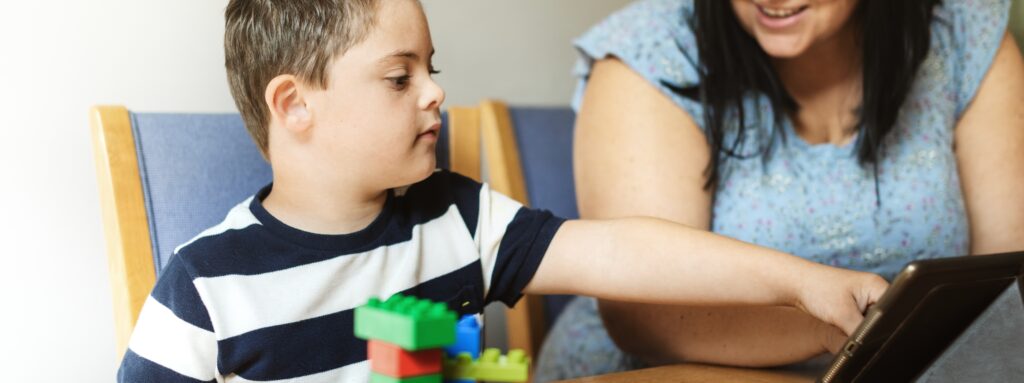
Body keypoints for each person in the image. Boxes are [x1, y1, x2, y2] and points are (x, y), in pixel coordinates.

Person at [114, 0, 889, 381]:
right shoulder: (205, 289)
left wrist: (803, 284)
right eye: (399, 77)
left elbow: (622, 249)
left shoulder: (459, 217)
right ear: (294, 106)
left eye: (431, 67)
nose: (435, 94)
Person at [535, 0, 1024, 380]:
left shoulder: (964, 34)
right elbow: (650, 316)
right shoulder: (650, 51)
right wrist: (857, 334)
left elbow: (1006, 283)